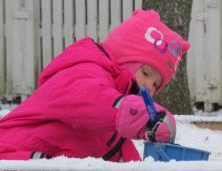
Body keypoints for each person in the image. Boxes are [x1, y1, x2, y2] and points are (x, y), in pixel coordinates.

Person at [0, 9, 190, 162]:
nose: (149, 86)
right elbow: (90, 101)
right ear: (124, 59)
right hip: (11, 155)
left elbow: (117, 153)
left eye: (156, 84)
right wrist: (142, 116)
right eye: (146, 73)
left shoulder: (112, 124)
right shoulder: (84, 69)